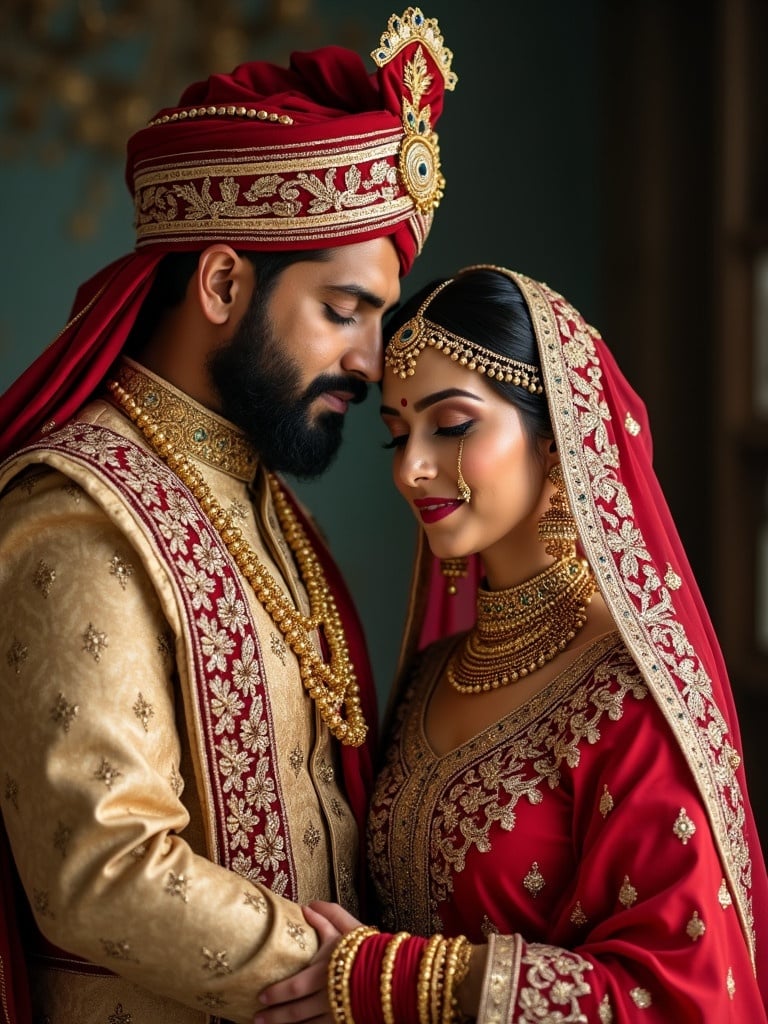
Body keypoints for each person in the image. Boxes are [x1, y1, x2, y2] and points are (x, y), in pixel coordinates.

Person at [0, 8, 458, 1023]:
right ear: (220, 281)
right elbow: (98, 868)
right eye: (343, 311)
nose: (372, 361)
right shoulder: (77, 512)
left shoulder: (270, 511)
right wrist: (361, 975)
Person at [257, 265, 768, 1022]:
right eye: (396, 436)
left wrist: (398, 980)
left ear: (558, 437)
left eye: (453, 424)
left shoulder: (629, 696)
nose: (411, 468)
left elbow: (673, 999)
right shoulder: (430, 676)